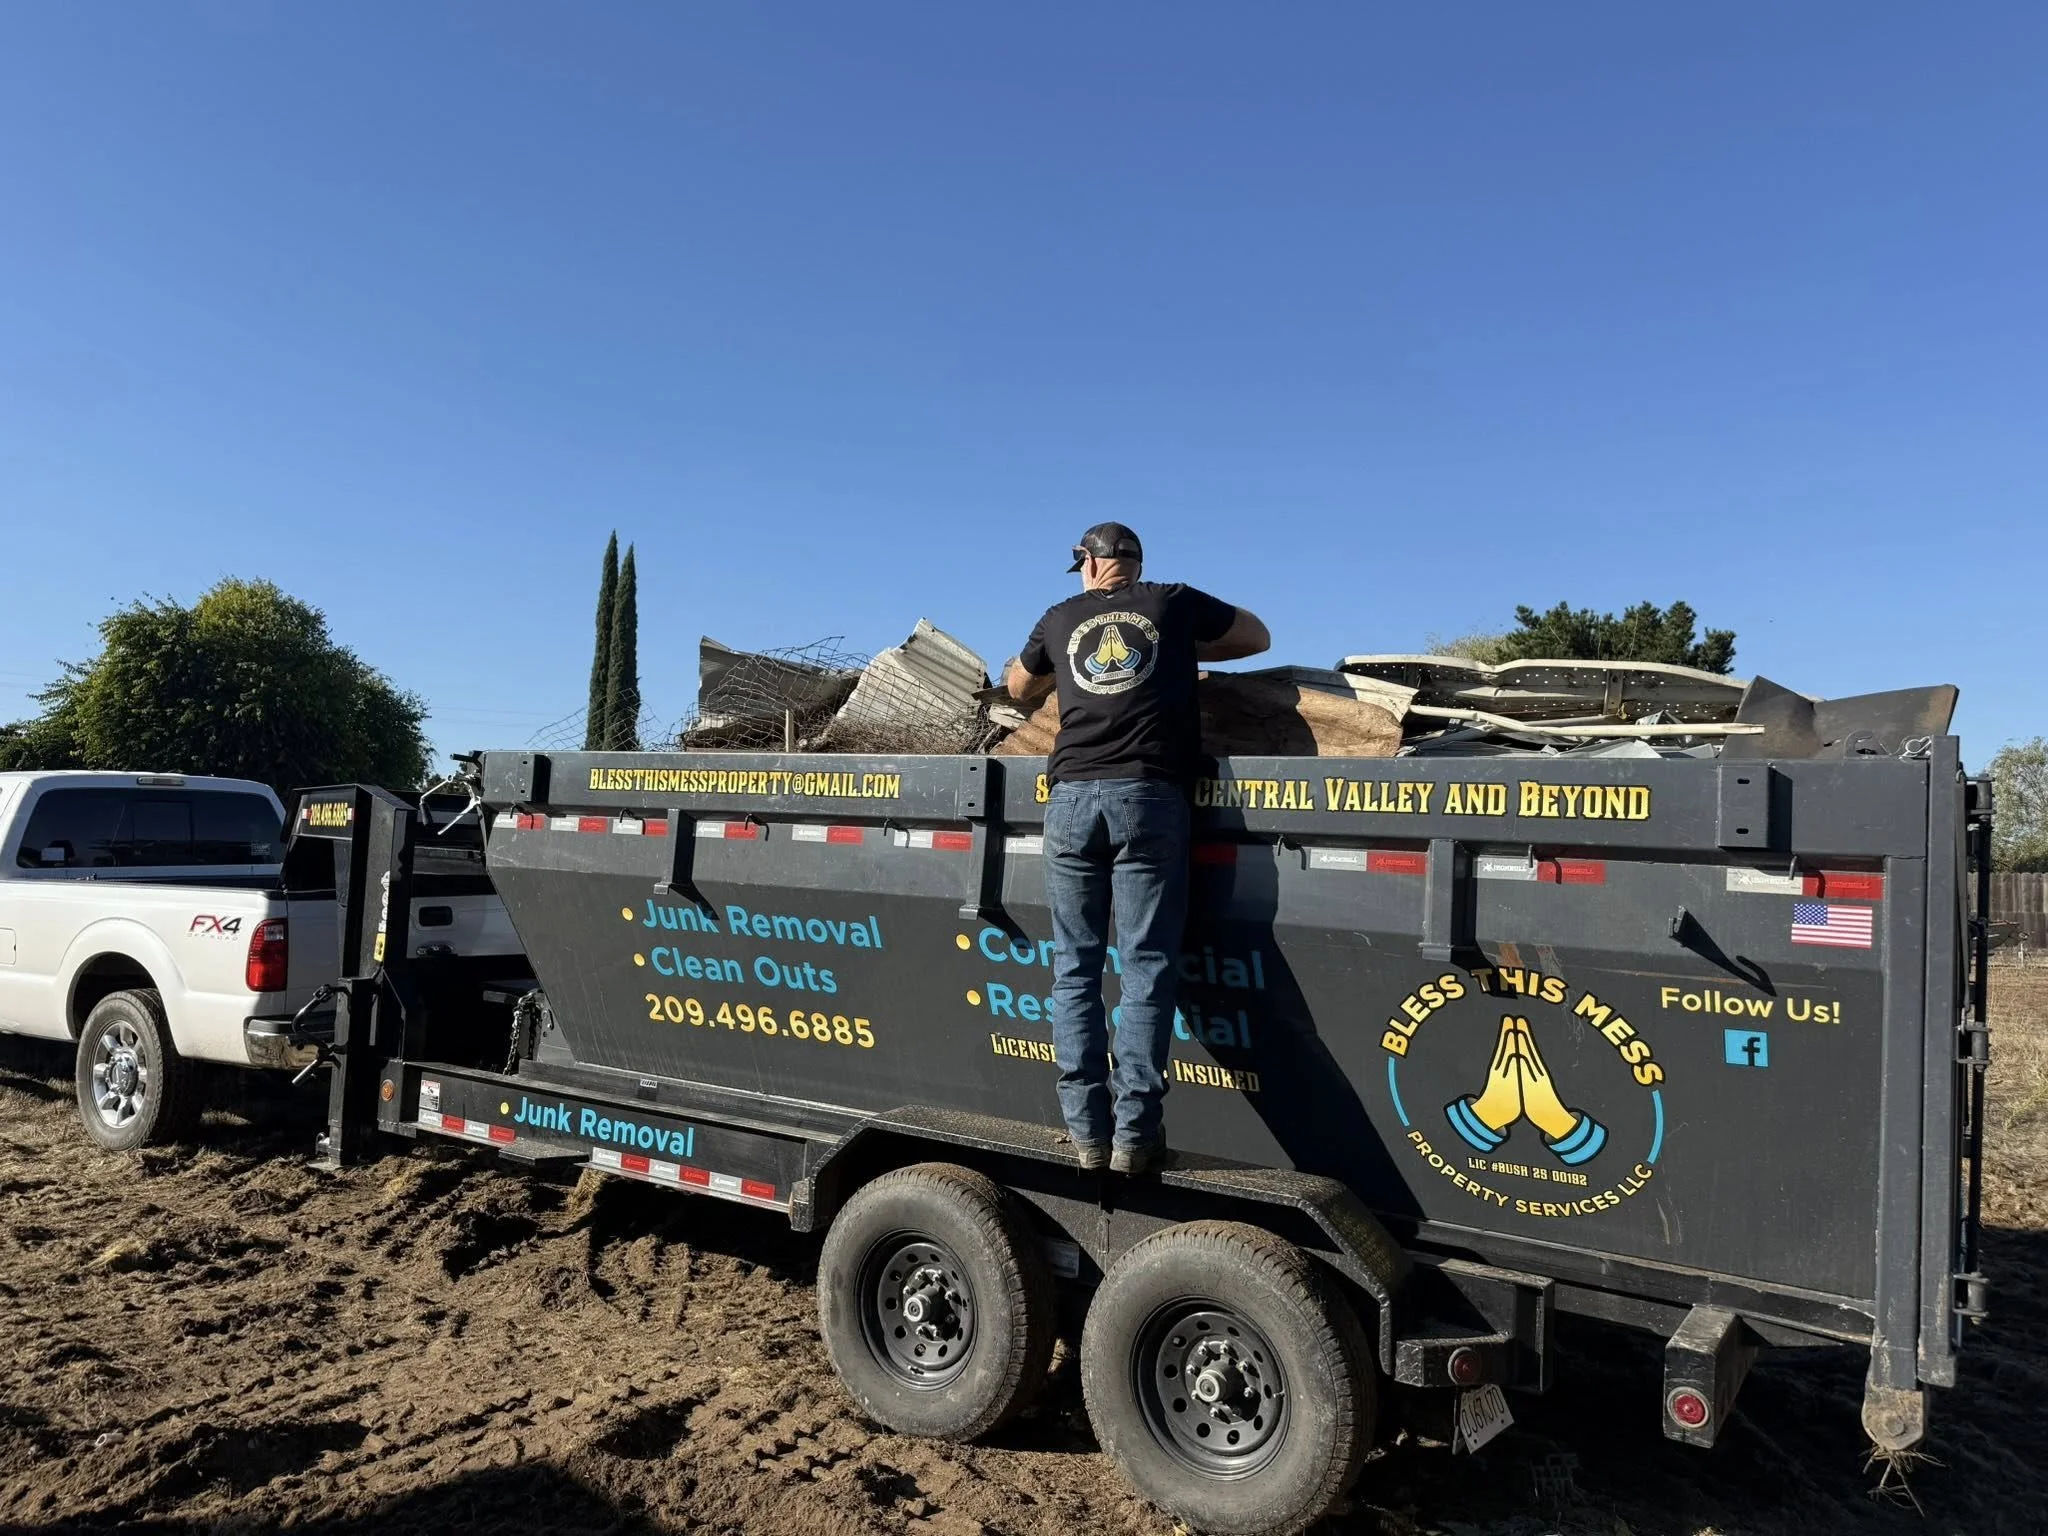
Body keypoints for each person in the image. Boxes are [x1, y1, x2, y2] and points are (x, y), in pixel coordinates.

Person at [1004, 523, 1270, 1174]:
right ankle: (1134, 1139)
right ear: (1135, 563)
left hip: (1069, 801)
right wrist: (1179, 653)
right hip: (1150, 798)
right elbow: (1257, 636)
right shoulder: (1172, 603)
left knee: (1075, 969)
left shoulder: (1060, 617)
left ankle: (1086, 1136)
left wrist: (1058, 665)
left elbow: (1017, 687)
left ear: (1091, 565)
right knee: (1147, 966)